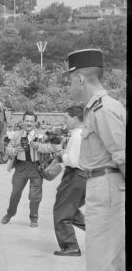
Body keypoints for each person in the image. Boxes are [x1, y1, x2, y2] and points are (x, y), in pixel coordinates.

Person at [65, 49, 125, 271]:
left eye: (70, 79)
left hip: (108, 189)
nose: (70, 86)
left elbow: (123, 155)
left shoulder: (103, 109)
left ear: (80, 77)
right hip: (102, 186)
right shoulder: (96, 109)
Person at [32, 105, 86, 256]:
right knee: (72, 210)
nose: (65, 121)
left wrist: (60, 154)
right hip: (80, 177)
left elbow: (73, 161)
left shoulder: (77, 136)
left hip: (75, 176)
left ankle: (71, 246)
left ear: (75, 118)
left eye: (66, 118)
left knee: (61, 211)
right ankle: (99, 231)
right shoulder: (82, 134)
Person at [1, 111, 44, 227]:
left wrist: (39, 146)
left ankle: (34, 218)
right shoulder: (16, 135)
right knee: (15, 193)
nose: (29, 123)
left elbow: (51, 147)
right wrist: (14, 151)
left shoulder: (42, 135)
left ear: (35, 123)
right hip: (21, 167)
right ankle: (9, 214)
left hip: (36, 168)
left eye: (31, 121)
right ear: (23, 122)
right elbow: (8, 148)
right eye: (27, 121)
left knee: (35, 196)